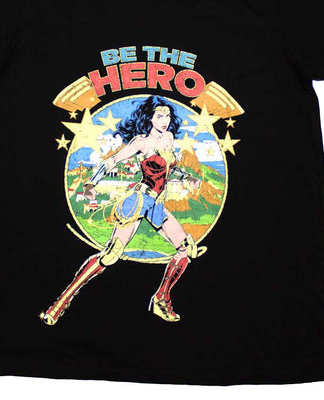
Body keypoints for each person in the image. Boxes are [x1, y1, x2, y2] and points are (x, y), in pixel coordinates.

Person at [40, 96, 207, 325]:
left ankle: (161, 299)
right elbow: (112, 161)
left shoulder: (169, 139)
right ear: (150, 118)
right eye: (159, 116)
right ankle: (59, 304)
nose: (165, 120)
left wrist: (188, 177)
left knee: (186, 249)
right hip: (139, 201)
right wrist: (90, 184)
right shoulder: (141, 142)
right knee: (111, 255)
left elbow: (171, 169)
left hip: (157, 204)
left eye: (167, 115)